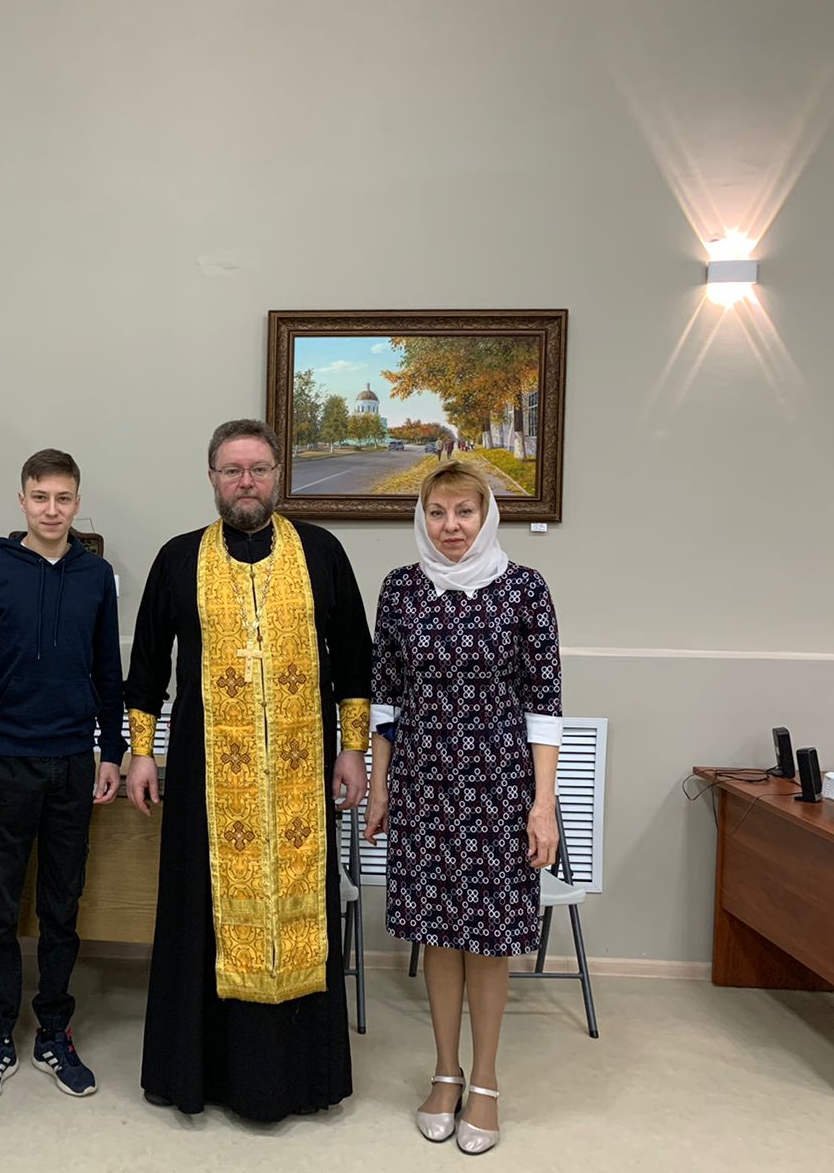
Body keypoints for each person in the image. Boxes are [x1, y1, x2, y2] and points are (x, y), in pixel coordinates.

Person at [123, 418, 372, 1121]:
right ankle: (199, 1074)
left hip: (301, 775)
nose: (246, 483)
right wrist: (141, 753)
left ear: (278, 475)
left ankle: (301, 1079)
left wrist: (353, 748)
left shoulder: (321, 553)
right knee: (199, 914)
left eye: (258, 469)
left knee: (301, 913)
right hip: (205, 778)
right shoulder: (179, 559)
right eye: (232, 471)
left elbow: (355, 658)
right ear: (211, 478)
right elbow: (148, 665)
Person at [363, 462, 561, 1156]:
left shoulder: (524, 590)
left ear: (486, 516)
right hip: (422, 784)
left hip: (499, 788)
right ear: (423, 517)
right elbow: (386, 699)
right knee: (438, 934)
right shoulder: (400, 590)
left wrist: (543, 805)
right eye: (438, 512)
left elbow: (544, 706)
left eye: (464, 512)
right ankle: (444, 1072)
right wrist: (380, 788)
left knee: (488, 940)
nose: (451, 526)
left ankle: (486, 1083)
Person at [0, 449, 124, 1104]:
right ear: (22, 500)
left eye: (63, 498)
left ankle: (53, 1030)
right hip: (4, 764)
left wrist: (113, 751)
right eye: (41, 497)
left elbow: (108, 672)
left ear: (78, 503)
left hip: (73, 763)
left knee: (61, 906)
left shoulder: (95, 576)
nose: (52, 509)